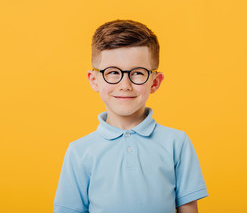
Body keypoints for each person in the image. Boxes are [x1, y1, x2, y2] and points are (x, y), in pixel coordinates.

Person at [53, 19, 208, 213]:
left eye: (137, 73)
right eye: (112, 72)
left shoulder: (177, 143)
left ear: (155, 82)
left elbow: (188, 209)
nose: (125, 84)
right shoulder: (79, 151)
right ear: (94, 80)